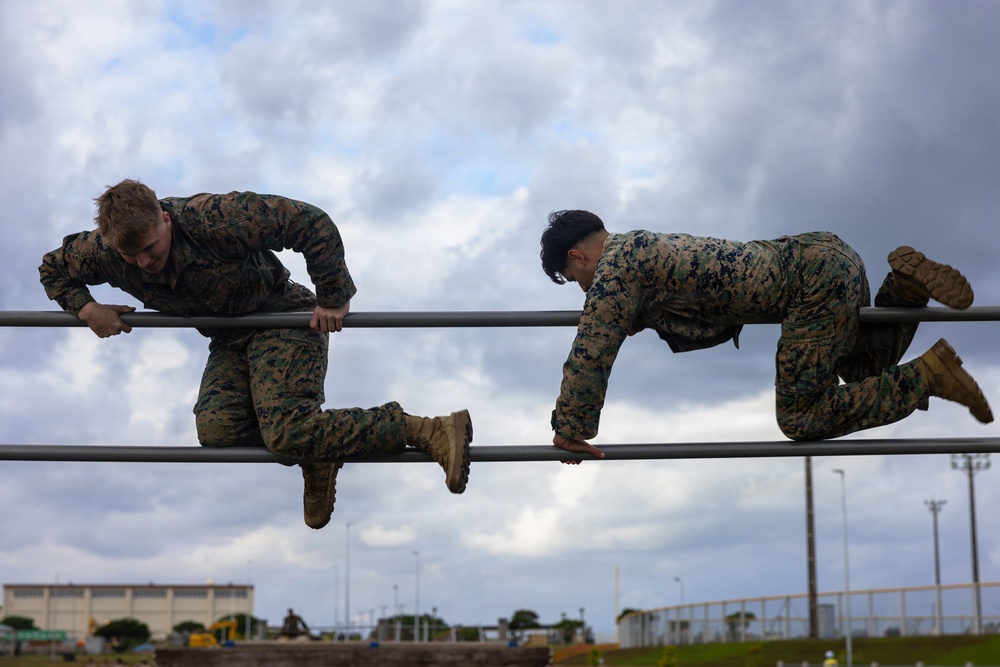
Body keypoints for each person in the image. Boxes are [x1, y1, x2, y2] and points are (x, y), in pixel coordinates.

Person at [40, 179, 473, 528]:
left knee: (285, 430)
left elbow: (310, 222)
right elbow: (52, 267)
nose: (142, 264)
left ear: (166, 221)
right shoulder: (102, 250)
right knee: (218, 432)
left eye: (150, 249)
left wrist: (334, 296)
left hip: (284, 315)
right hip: (229, 337)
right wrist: (87, 307)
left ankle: (427, 429)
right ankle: (317, 452)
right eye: (128, 256)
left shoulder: (214, 218)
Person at [538, 210, 993, 459]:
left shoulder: (616, 270)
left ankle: (930, 375)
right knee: (863, 370)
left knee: (800, 416)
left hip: (807, 282)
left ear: (578, 257)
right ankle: (905, 290)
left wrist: (571, 430)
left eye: (579, 282)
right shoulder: (638, 246)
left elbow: (591, 350)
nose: (587, 292)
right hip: (829, 255)